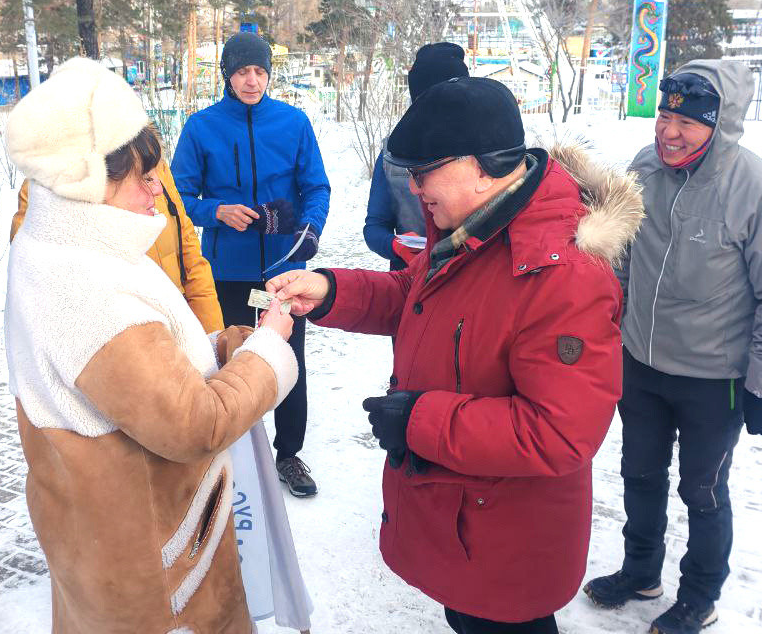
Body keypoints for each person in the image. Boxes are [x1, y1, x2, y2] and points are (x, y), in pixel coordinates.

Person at [267, 76, 644, 633]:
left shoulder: (564, 273)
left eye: (424, 172)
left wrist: (418, 419)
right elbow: (413, 297)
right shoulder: (476, 227)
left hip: (507, 542)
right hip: (462, 523)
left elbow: (560, 433)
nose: (415, 188)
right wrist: (332, 290)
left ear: (484, 165)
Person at [3, 58, 299, 633]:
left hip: (106, 541)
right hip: (154, 567)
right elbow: (194, 424)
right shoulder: (84, 286)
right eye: (140, 177)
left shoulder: (68, 247)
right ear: (87, 179)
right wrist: (267, 354)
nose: (155, 191)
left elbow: (153, 367)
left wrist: (237, 343)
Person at [583, 60, 762, 634]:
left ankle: (701, 596)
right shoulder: (644, 171)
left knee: (703, 491)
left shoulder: (761, 192)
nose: (668, 131)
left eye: (688, 122)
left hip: (716, 377)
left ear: (724, 124)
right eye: (664, 114)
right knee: (638, 473)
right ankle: (641, 571)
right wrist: (609, 327)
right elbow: (627, 260)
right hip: (640, 361)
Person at [171, 31, 331, 498]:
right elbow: (179, 197)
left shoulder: (294, 123)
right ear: (227, 74)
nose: (252, 80)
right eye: (243, 71)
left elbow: (316, 187)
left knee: (287, 358)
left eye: (260, 71)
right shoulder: (201, 127)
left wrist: (310, 229)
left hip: (283, 270)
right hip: (227, 273)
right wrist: (215, 210)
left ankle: (288, 454)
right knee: (229, 361)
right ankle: (232, 449)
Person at [10, 157, 223, 332]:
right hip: (115, 341)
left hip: (177, 325)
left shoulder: (150, 157)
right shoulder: (48, 183)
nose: (156, 188)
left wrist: (211, 335)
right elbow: (38, 283)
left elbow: (191, 256)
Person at [363, 43, 467, 270]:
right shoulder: (392, 153)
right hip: (411, 279)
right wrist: (395, 246)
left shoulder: (487, 149)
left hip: (474, 279)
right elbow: (374, 227)